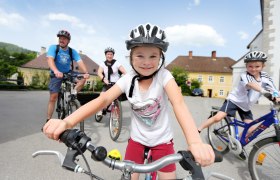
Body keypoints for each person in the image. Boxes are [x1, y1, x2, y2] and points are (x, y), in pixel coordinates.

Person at [43, 23, 214, 180]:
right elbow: (103, 99)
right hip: (137, 141)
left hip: (163, 142)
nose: (147, 62)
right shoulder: (128, 79)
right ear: (131, 57)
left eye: (153, 56)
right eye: (140, 55)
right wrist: (66, 122)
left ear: (161, 58)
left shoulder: (164, 76)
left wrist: (195, 143)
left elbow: (179, 104)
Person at [197, 50, 280, 160]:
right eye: (250, 66)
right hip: (234, 101)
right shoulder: (245, 75)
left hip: (245, 106)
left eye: (257, 66)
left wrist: (276, 96)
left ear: (263, 66)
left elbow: (274, 90)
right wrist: (264, 92)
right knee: (218, 117)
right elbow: (252, 84)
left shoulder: (265, 76)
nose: (253, 69)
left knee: (251, 128)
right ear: (246, 66)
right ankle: (198, 128)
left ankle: (238, 145)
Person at [46, 30, 90, 121]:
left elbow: (79, 62)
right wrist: (55, 71)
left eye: (64, 39)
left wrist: (86, 72)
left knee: (82, 79)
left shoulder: (71, 51)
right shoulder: (54, 48)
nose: (61, 40)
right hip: (56, 73)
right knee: (53, 97)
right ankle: (48, 119)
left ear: (68, 41)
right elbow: (50, 60)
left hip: (68, 72)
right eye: (60, 38)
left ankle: (73, 95)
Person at [96, 47, 126, 116]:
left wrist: (125, 78)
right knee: (102, 96)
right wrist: (104, 79)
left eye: (111, 54)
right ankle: (100, 110)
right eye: (108, 54)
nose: (109, 56)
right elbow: (99, 72)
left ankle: (116, 111)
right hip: (107, 83)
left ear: (113, 55)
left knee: (116, 99)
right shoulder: (103, 64)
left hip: (116, 84)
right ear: (105, 55)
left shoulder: (117, 63)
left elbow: (124, 72)